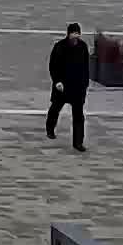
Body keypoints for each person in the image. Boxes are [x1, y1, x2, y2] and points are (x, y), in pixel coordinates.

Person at [47, 22, 90, 152]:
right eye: (73, 34)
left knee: (78, 116)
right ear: (68, 34)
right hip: (62, 86)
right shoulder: (59, 47)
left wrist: (85, 84)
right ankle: (50, 128)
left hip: (77, 88)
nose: (75, 37)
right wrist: (57, 81)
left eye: (77, 34)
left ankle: (78, 142)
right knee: (55, 108)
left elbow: (86, 67)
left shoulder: (83, 47)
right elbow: (53, 66)